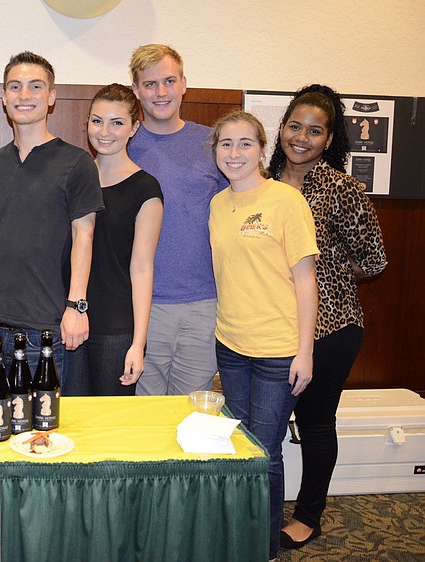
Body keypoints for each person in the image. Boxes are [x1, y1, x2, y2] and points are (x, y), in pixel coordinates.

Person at [269, 85, 388, 550]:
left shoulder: (342, 188)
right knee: (267, 424)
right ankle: (262, 507)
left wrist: (325, 272)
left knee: (316, 421)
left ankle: (308, 516)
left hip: (331, 326)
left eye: (314, 131)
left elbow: (373, 261)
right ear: (281, 128)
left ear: (329, 138)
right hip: (272, 325)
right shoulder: (260, 180)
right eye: (294, 126)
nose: (301, 138)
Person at [208, 110, 319, 561]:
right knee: (239, 443)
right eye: (226, 144)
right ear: (215, 151)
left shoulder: (286, 201)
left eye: (245, 143)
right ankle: (239, 535)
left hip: (279, 350)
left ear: (261, 149)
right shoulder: (217, 204)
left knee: (265, 449)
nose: (234, 153)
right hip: (231, 345)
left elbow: (306, 281)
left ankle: (264, 547)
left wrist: (305, 352)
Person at [0, 51, 103, 379]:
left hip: (44, 329)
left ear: (51, 97)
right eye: (15, 87)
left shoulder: (77, 162)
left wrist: (77, 306)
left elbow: (84, 235)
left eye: (35, 86)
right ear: (4, 97)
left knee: (39, 416)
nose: (24, 95)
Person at [126, 44, 228, 396]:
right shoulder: (122, 144)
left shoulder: (213, 144)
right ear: (136, 90)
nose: (161, 92)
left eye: (169, 81)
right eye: (150, 84)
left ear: (184, 83)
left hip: (204, 303)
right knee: (145, 414)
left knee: (190, 413)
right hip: (143, 306)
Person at [65, 84, 163, 396]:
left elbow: (142, 269)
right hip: (67, 319)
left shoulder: (145, 188)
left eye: (117, 122)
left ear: (134, 128)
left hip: (115, 329)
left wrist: (138, 343)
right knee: (68, 417)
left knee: (110, 419)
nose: (104, 131)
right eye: (97, 121)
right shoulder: (72, 178)